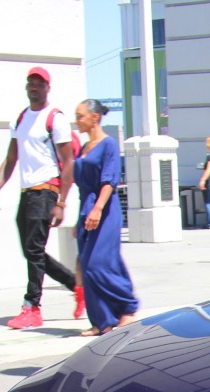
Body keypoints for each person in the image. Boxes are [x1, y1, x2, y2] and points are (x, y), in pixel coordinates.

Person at [0, 66, 82, 330]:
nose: (34, 87)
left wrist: (61, 202)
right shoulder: (20, 119)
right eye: (30, 82)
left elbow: (67, 163)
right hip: (26, 192)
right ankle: (76, 288)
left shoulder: (56, 119)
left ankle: (32, 307)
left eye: (39, 83)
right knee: (33, 251)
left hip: (46, 190)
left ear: (47, 88)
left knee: (33, 250)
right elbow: (11, 158)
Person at [72, 100, 139, 336]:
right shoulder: (83, 147)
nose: (76, 120)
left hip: (104, 210)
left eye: (80, 116)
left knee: (99, 264)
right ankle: (102, 322)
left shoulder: (108, 144)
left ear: (95, 117)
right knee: (87, 265)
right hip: (85, 209)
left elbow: (109, 180)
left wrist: (98, 208)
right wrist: (78, 219)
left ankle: (127, 307)